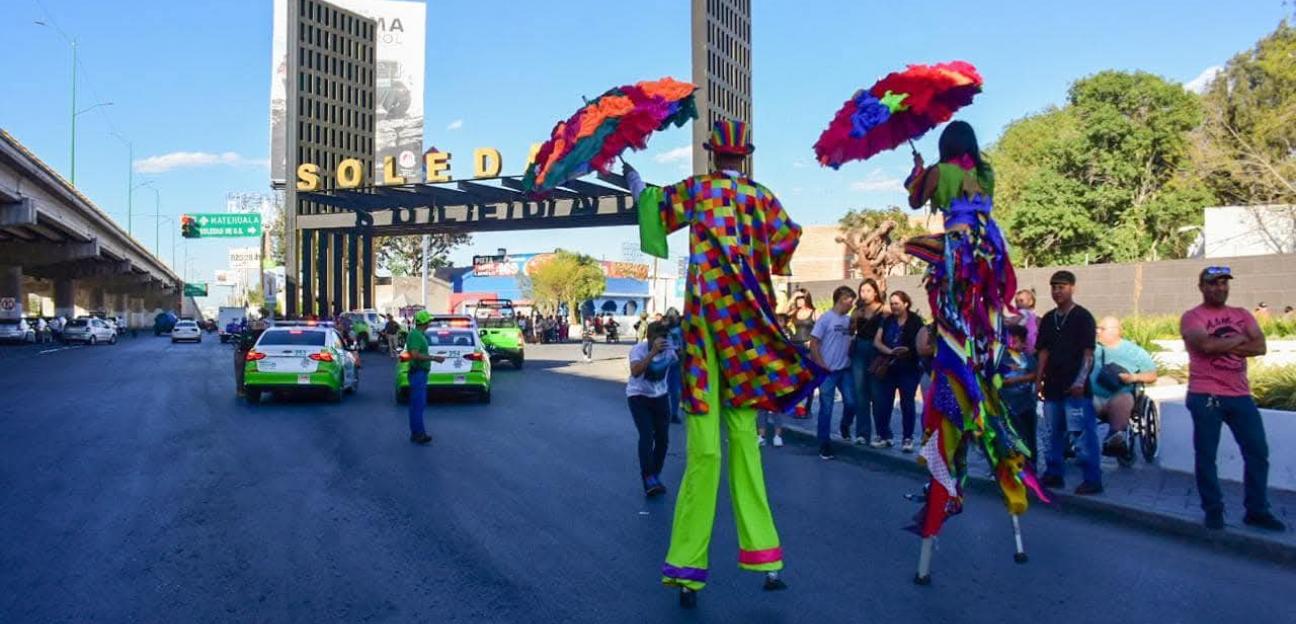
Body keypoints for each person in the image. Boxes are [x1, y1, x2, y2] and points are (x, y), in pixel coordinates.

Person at [625, 119, 821, 606]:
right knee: (745, 446)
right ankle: (767, 559)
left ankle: (688, 570)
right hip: (747, 336)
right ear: (744, 156)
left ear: (714, 154)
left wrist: (635, 185)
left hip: (710, 333)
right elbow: (786, 245)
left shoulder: (697, 191)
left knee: (705, 453)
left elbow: (656, 207)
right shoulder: (763, 197)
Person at [902, 120, 1039, 557]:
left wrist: (919, 172)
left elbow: (916, 198)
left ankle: (945, 485)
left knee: (954, 338)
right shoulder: (985, 172)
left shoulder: (945, 174)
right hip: (990, 258)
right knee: (978, 342)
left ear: (946, 146)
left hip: (961, 261)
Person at [1181, 266, 1285, 531]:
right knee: (1206, 455)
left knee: (1257, 452)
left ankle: (1257, 510)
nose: (1219, 288)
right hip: (1206, 394)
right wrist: (1240, 339)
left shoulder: (1241, 314)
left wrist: (1223, 343)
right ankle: (1213, 510)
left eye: (1224, 283)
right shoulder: (1192, 317)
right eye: (1213, 284)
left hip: (1240, 394)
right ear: (1202, 287)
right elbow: (1205, 345)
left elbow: (1260, 347)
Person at [1036, 270, 1103, 495]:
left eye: (1062, 287)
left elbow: (1088, 353)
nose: (1057, 291)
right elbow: (1043, 352)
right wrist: (1038, 381)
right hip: (1053, 386)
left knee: (1081, 434)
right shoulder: (1048, 318)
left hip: (1076, 390)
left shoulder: (1083, 317)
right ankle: (1054, 473)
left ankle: (1092, 478)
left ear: (1072, 288)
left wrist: (1080, 381)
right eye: (1054, 287)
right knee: (1052, 432)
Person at [1091, 317, 1158, 456]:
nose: (1097, 331)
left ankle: (1115, 437)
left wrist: (1133, 378)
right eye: (1097, 328)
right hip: (1093, 396)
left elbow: (1152, 375)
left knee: (1123, 399)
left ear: (1116, 331)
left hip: (1120, 396)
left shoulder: (1133, 352)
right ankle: (1073, 439)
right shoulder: (1091, 349)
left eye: (1102, 328)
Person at [628, 321, 678, 496]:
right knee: (647, 436)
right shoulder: (638, 350)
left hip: (661, 397)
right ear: (648, 337)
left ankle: (655, 476)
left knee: (663, 440)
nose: (662, 342)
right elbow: (635, 371)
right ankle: (648, 478)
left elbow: (682, 364)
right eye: (658, 339)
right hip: (638, 397)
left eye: (664, 338)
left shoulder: (669, 348)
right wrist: (652, 353)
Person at [871, 291, 924, 452]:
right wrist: (889, 351)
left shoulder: (915, 321)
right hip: (889, 366)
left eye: (897, 303)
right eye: (892, 303)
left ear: (906, 304)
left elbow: (921, 342)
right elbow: (877, 341)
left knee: (907, 403)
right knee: (884, 402)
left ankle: (907, 438)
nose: (894, 306)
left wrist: (909, 350)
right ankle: (884, 435)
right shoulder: (887, 320)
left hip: (909, 367)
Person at [810, 286, 858, 459]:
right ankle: (824, 443)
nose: (851, 304)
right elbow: (814, 342)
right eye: (849, 301)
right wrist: (821, 364)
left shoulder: (847, 320)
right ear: (841, 299)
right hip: (828, 370)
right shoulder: (825, 319)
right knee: (826, 407)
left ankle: (845, 425)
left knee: (851, 402)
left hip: (845, 368)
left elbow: (852, 335)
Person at [844, 279, 886, 445]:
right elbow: (850, 331)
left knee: (877, 393)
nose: (865, 294)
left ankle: (882, 433)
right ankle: (862, 433)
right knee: (860, 393)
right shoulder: (857, 311)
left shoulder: (884, 310)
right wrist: (854, 319)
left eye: (868, 290)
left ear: (875, 292)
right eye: (862, 291)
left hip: (876, 351)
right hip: (860, 350)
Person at [404, 310, 446, 445]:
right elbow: (415, 354)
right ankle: (419, 434)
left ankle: (416, 432)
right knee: (418, 405)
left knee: (417, 405)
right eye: (428, 321)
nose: (430, 323)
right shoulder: (416, 336)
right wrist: (434, 358)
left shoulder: (419, 335)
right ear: (424, 322)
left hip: (419, 372)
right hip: (418, 372)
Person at [1001, 324, 1039, 464]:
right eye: (1008, 340)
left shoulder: (1028, 359)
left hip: (1027, 403)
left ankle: (1031, 463)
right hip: (1007, 405)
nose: (1011, 343)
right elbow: (997, 379)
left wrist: (1018, 379)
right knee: (1011, 436)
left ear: (1023, 343)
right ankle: (1011, 464)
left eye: (1015, 340)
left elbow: (1036, 374)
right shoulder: (1002, 359)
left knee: (1029, 434)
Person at [785, 289, 819, 418]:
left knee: (809, 379)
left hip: (807, 347)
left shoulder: (814, 313)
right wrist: (792, 297)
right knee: (795, 380)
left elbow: (821, 329)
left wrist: (813, 342)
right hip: (795, 346)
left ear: (807, 298)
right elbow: (781, 314)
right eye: (797, 299)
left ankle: (807, 408)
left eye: (801, 298)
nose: (799, 301)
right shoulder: (794, 312)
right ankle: (796, 407)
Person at [664, 308, 685, 424]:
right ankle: (669, 413)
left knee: (675, 390)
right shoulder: (663, 329)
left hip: (675, 362)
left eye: (674, 316)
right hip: (666, 362)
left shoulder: (681, 330)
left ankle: (673, 413)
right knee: (667, 389)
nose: (673, 318)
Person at [1010, 289, 1039, 354]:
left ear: (1030, 302)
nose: (1018, 303)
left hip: (1023, 345)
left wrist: (1005, 320)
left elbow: (1013, 322)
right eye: (1016, 301)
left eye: (1021, 301)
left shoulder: (1022, 312)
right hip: (1033, 345)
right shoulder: (1033, 315)